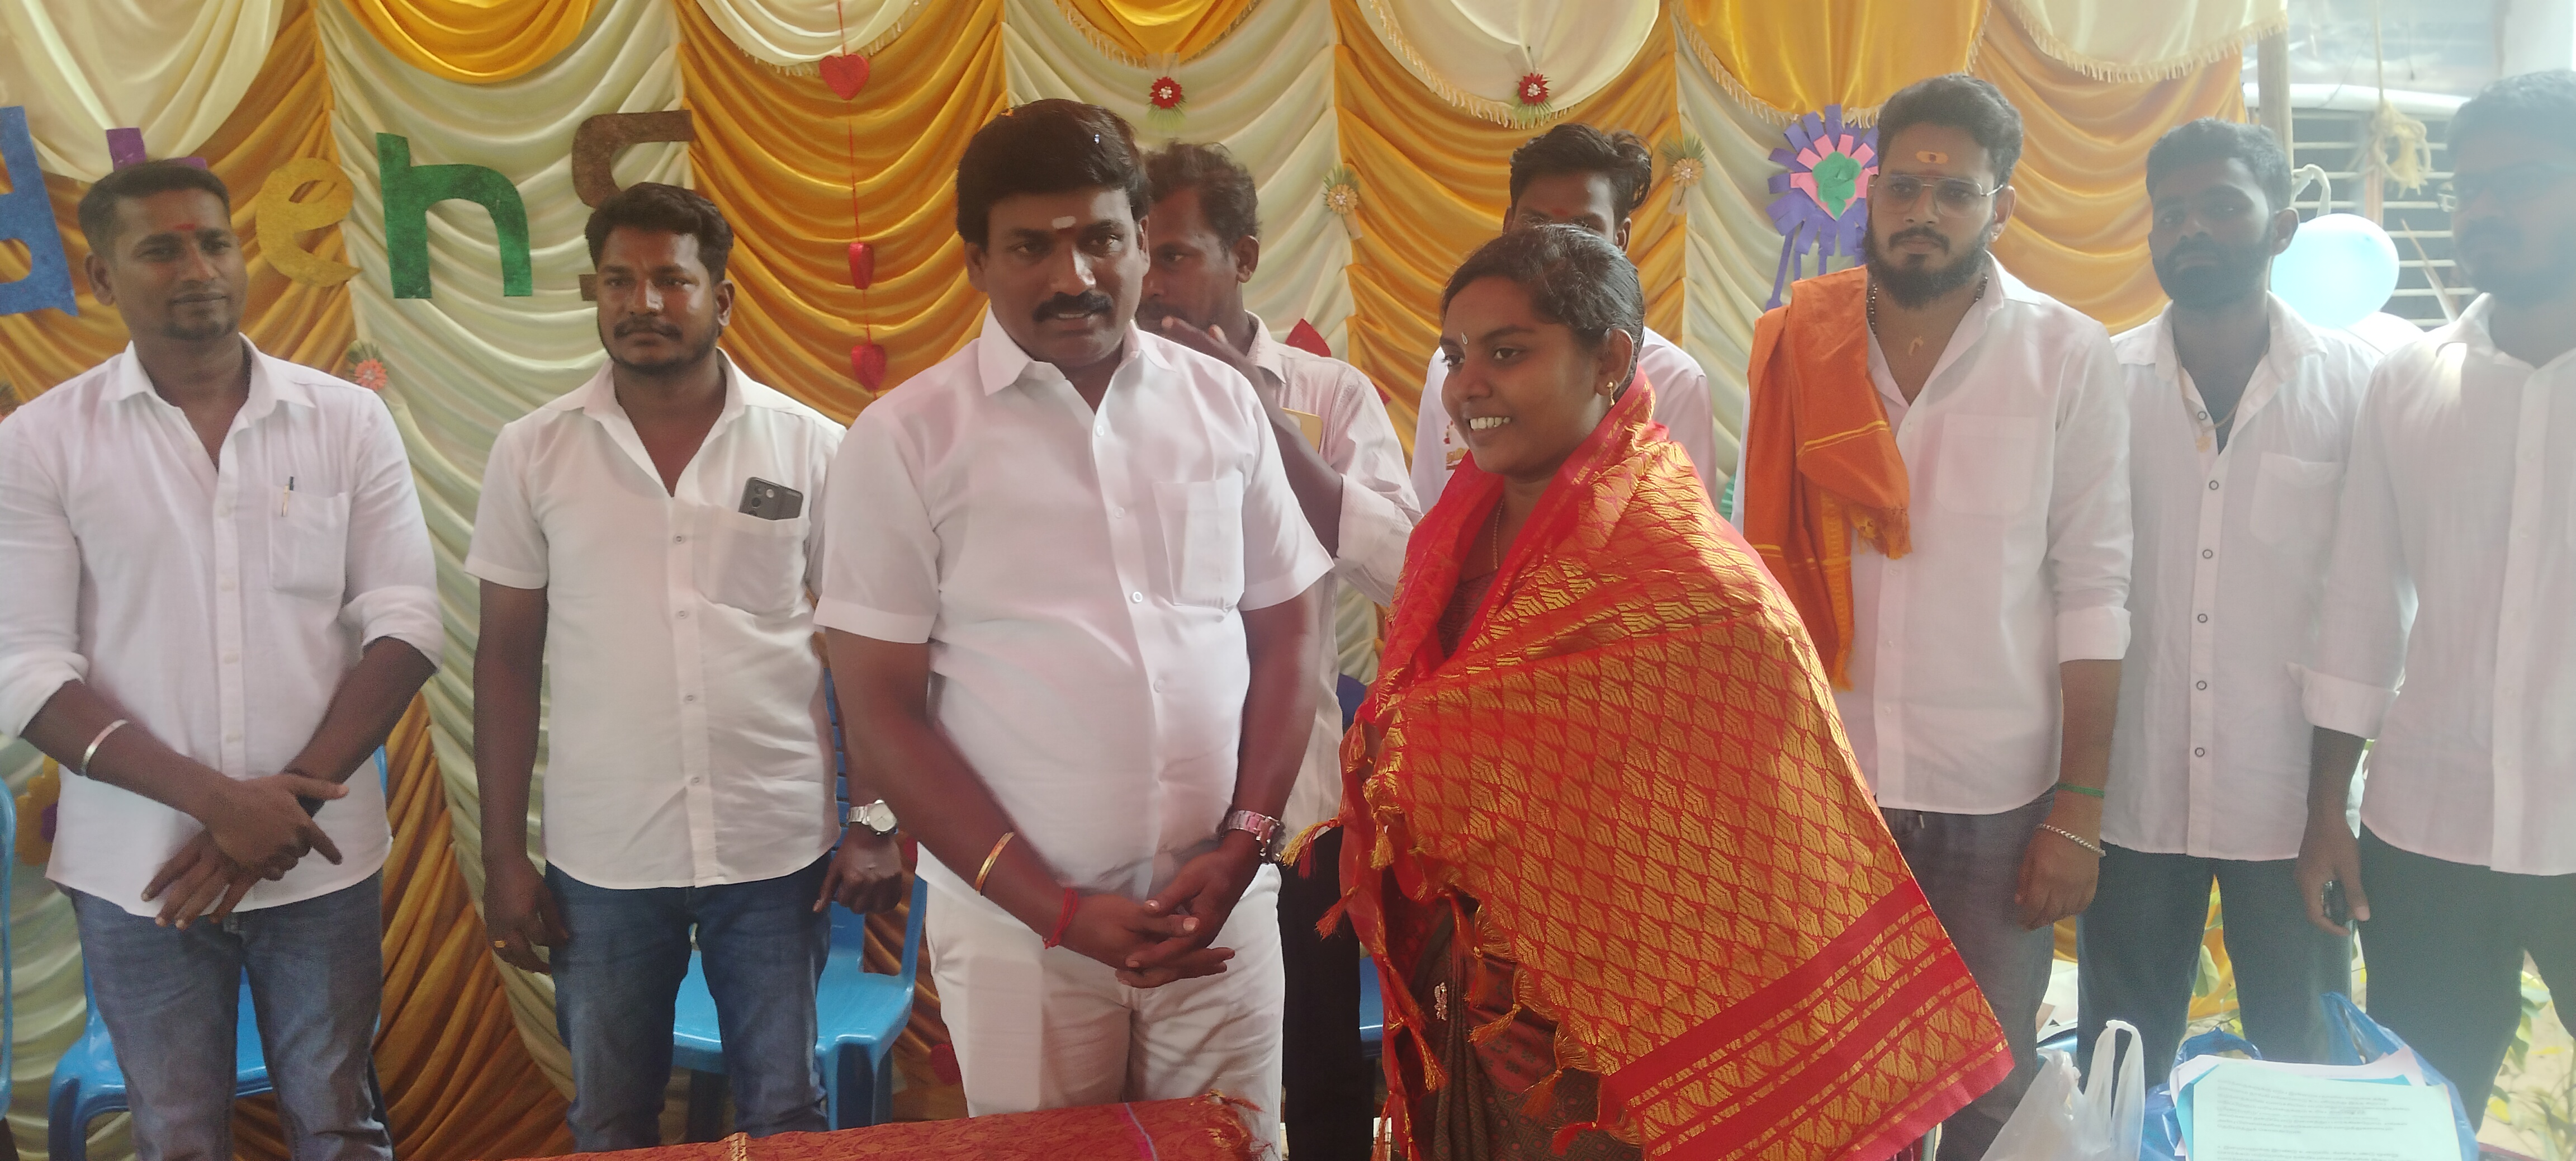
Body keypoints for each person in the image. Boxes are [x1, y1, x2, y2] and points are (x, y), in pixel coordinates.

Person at [1341, 223, 2007, 1160]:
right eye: (1456, 356)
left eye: (1507, 353)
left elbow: (1771, 859)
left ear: (1610, 359)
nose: (1465, 386)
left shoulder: (1694, 589)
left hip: (1625, 1044)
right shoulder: (1449, 539)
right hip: (1477, 998)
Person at [818, 101, 1328, 1149]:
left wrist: (1246, 841)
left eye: (1101, 238)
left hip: (1218, 907)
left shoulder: (1223, 406)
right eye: (1031, 248)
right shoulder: (905, 441)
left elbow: (1288, 630)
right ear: (976, 262)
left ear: (1141, 241)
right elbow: (882, 715)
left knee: (1233, 1147)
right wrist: (1056, 910)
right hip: (1021, 933)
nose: (1074, 277)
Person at [0, 161, 439, 1161]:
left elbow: (408, 624)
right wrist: (218, 804)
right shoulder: (39, 444)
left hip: (317, 855)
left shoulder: (346, 419)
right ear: (102, 277)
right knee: (178, 1135)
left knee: (339, 1121)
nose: (197, 268)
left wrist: (277, 809)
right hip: (140, 871)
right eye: (160, 250)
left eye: (213, 243)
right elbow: (26, 671)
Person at [1738, 74, 2131, 1160]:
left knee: (1989, 1086)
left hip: (1995, 800)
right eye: (1903, 188)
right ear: (1870, 197)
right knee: (1835, 1084)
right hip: (1830, 787)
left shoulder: (2065, 354)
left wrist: (2077, 809)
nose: (1923, 211)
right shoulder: (1798, 345)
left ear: (1998, 206)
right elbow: (1757, 575)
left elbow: (2095, 590)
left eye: (1953, 191)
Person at [468, 182, 887, 1150]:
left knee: (785, 1115)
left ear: (721, 299)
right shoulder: (533, 453)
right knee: (612, 1119)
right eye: (619, 280)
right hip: (604, 856)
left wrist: (872, 819)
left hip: (774, 846)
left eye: (670, 280)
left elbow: (865, 654)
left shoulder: (811, 446)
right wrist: (503, 858)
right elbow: (505, 661)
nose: (643, 303)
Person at [2295, 69, 2576, 1121]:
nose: (2485, 209)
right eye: (2468, 189)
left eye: (2522, 182)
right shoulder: (2410, 382)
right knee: (2417, 1111)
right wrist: (2327, 808)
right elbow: (2361, 609)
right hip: (2430, 830)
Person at [2078, 119, 2376, 1086]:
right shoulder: (2099, 382)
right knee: (2117, 1073)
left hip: (2289, 805)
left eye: (2220, 206)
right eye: (2169, 214)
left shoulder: (2355, 387)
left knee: (2308, 1070)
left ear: (2282, 226)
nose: (2190, 230)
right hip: (2132, 799)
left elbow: (2371, 604)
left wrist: (2329, 807)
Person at [1137, 141, 1419, 1161]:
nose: (1146, 280)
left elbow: (1405, 567)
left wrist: (1267, 424)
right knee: (1163, 1075)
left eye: (1173, 255)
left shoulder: (1326, 394)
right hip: (1146, 801)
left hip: (1296, 804)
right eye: (1134, 251)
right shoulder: (1096, 395)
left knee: (1318, 1059)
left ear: (1243, 256)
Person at [1408, 124, 1719, 508]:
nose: (1554, 248)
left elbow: (1681, 519)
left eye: (1583, 229)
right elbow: (1429, 508)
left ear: (1620, 239)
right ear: (1508, 228)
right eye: (1536, 225)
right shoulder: (1453, 369)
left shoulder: (1672, 378)